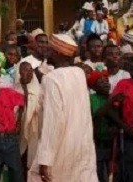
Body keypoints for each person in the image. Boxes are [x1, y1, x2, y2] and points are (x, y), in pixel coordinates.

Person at [32, 33, 98, 181]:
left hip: (61, 148)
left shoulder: (51, 79)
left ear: (57, 53)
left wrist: (45, 160)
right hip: (82, 145)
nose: (47, 51)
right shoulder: (79, 73)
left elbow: (53, 122)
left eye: (50, 48)